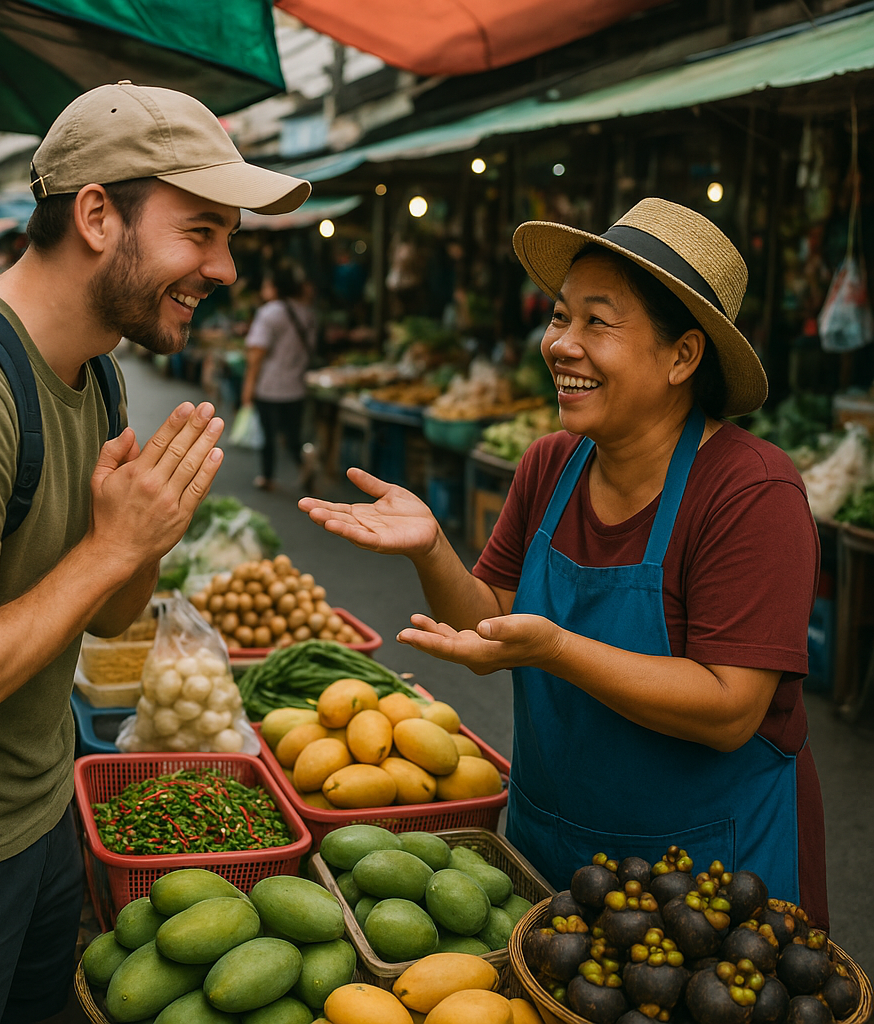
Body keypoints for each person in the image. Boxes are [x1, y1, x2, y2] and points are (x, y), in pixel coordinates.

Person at [0, 81, 309, 1024]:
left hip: (41, 815)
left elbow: (106, 614)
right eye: (202, 231)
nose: (224, 267)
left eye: (229, 238)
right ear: (98, 214)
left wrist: (146, 537)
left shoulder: (94, 372)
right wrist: (113, 548)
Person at [300, 198, 829, 928]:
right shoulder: (552, 464)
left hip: (709, 880)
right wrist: (431, 549)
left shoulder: (750, 491)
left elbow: (730, 707)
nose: (559, 344)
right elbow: (488, 623)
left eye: (597, 322)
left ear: (682, 356)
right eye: (559, 316)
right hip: (551, 847)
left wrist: (555, 648)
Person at [241, 264, 318, 490]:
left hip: (270, 386)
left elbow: (256, 355)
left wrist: (248, 387)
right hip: (296, 385)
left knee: (268, 436)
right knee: (293, 435)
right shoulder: (307, 314)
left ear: (276, 287)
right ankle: (303, 463)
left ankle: (267, 477)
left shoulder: (269, 313)